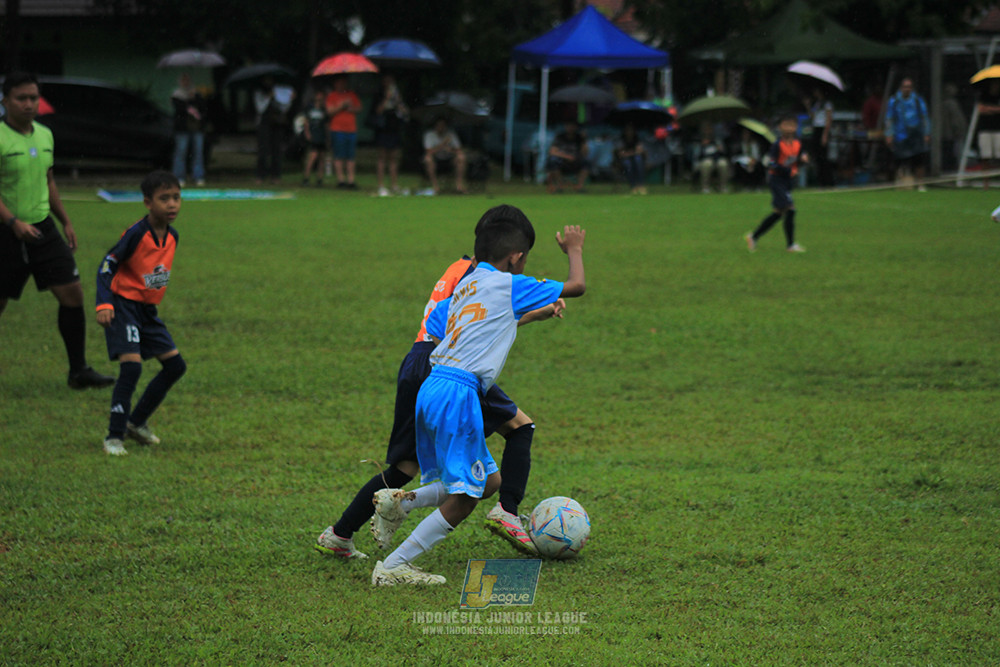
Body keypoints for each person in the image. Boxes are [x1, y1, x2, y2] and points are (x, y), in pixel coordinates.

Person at [315, 209, 561, 560]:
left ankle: (340, 533)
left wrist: (534, 314)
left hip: (416, 361)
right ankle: (507, 510)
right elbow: (475, 329)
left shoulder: (459, 268)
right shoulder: (481, 276)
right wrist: (536, 312)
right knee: (521, 427)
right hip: (447, 367)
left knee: (405, 468)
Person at [369, 209, 587, 586]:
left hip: (433, 384)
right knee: (467, 498)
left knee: (488, 482)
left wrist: (531, 316)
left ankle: (401, 502)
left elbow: (444, 326)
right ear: (516, 257)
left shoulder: (466, 284)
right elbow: (577, 285)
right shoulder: (509, 284)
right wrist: (574, 250)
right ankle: (393, 566)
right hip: (458, 393)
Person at [0, 72, 114, 390]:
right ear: (5, 101)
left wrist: (65, 220)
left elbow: (48, 180)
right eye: (21, 98)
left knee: (72, 293)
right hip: (6, 231)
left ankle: (79, 371)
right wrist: (12, 222)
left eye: (33, 97)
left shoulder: (45, 135)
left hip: (43, 229)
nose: (29, 104)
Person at [95, 171, 187, 456]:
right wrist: (104, 303)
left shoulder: (172, 236)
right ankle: (114, 436)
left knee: (175, 366)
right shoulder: (137, 234)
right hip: (124, 306)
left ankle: (135, 423)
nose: (171, 204)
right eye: (164, 199)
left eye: (176, 198)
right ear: (148, 203)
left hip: (147, 311)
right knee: (132, 367)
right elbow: (107, 265)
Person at [745, 113, 808, 253]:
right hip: (777, 180)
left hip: (787, 181)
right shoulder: (777, 145)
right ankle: (790, 245)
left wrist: (803, 160)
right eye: (786, 125)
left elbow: (800, 159)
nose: (789, 128)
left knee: (778, 213)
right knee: (790, 209)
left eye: (792, 125)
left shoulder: (798, 144)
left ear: (796, 127)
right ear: (780, 127)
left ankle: (753, 237)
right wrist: (788, 171)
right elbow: (771, 164)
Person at [884, 78, 930, 190]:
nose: (907, 89)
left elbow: (924, 117)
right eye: (905, 87)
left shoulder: (917, 100)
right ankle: (899, 183)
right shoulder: (894, 100)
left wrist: (926, 132)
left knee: (919, 160)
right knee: (899, 160)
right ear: (901, 88)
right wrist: (889, 134)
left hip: (916, 134)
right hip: (900, 135)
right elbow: (889, 118)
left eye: (909, 87)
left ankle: (920, 183)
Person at [373, 74, 408, 196]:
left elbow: (404, 112)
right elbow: (377, 111)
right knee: (382, 158)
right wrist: (386, 99)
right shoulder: (379, 95)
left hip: (394, 129)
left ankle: (394, 185)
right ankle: (381, 185)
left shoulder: (397, 96)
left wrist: (398, 102)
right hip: (383, 129)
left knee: (394, 158)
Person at [170, 74, 207, 187]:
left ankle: (198, 176)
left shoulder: (197, 94)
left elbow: (203, 108)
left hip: (196, 128)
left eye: (187, 81)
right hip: (182, 129)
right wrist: (189, 101)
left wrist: (194, 97)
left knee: (198, 153)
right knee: (180, 152)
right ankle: (179, 177)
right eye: (183, 81)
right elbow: (180, 110)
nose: (186, 83)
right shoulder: (176, 95)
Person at [254, 78, 293, 184]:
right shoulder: (259, 92)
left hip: (277, 124)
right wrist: (269, 97)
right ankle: (260, 175)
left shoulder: (279, 91)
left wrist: (289, 99)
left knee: (277, 150)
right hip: (264, 124)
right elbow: (260, 108)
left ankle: (275, 175)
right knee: (263, 150)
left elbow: (284, 108)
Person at [325, 76, 361, 190]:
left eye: (344, 83)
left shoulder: (351, 95)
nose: (342, 85)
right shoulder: (332, 96)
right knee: (338, 155)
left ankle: (351, 180)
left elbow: (359, 108)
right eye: (340, 83)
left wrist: (350, 107)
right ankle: (341, 180)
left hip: (351, 129)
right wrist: (341, 105)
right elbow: (329, 112)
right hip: (337, 129)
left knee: (350, 156)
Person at [422, 116, 467, 194]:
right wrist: (443, 144)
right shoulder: (430, 135)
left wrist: (451, 150)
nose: (441, 127)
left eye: (443, 125)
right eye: (439, 125)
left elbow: (459, 149)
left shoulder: (451, 134)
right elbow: (429, 151)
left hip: (449, 158)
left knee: (461, 157)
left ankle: (459, 185)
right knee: (428, 159)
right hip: (436, 159)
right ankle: (435, 186)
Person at [545, 120, 589, 193]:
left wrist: (584, 140)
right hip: (561, 161)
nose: (571, 128)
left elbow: (585, 153)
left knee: (586, 162)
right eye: (569, 125)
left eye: (573, 126)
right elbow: (552, 152)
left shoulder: (579, 138)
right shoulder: (560, 137)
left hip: (575, 161)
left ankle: (579, 186)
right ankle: (560, 185)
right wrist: (567, 156)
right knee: (553, 161)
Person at [807, 86, 834, 186]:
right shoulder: (817, 104)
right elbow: (813, 117)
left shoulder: (827, 104)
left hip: (823, 130)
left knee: (824, 157)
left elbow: (828, 120)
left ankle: (828, 181)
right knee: (817, 156)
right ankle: (821, 180)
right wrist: (808, 106)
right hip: (816, 128)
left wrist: (825, 135)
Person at [301, 90, 328, 187]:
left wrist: (327, 137)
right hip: (314, 136)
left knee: (322, 158)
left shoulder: (324, 110)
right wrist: (307, 133)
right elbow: (306, 122)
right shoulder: (309, 109)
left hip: (321, 136)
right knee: (312, 157)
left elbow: (326, 124)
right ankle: (306, 178)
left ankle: (319, 179)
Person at [694, 122, 728, 193]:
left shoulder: (717, 140)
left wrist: (720, 149)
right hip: (705, 160)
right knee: (707, 164)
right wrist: (702, 146)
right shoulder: (699, 140)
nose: (708, 131)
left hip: (717, 159)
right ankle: (705, 187)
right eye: (706, 129)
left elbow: (724, 153)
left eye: (709, 129)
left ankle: (722, 187)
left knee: (723, 164)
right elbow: (697, 156)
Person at [940, 83, 967, 173]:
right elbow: (956, 120)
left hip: (945, 134)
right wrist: (959, 131)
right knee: (951, 153)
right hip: (951, 134)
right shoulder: (951, 104)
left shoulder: (942, 103)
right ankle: (951, 169)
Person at [976, 80, 1000, 180]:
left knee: (998, 156)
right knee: (985, 156)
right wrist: (995, 109)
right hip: (984, 130)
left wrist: (989, 109)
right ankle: (986, 183)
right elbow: (981, 109)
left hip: (998, 130)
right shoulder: (983, 96)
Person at [615, 122, 647, 194]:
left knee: (638, 160)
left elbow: (640, 151)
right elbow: (621, 154)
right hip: (624, 160)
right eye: (628, 130)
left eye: (631, 130)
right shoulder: (621, 140)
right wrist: (633, 152)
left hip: (635, 159)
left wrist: (629, 153)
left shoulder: (637, 139)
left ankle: (641, 185)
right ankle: (633, 186)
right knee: (628, 164)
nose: (629, 132)